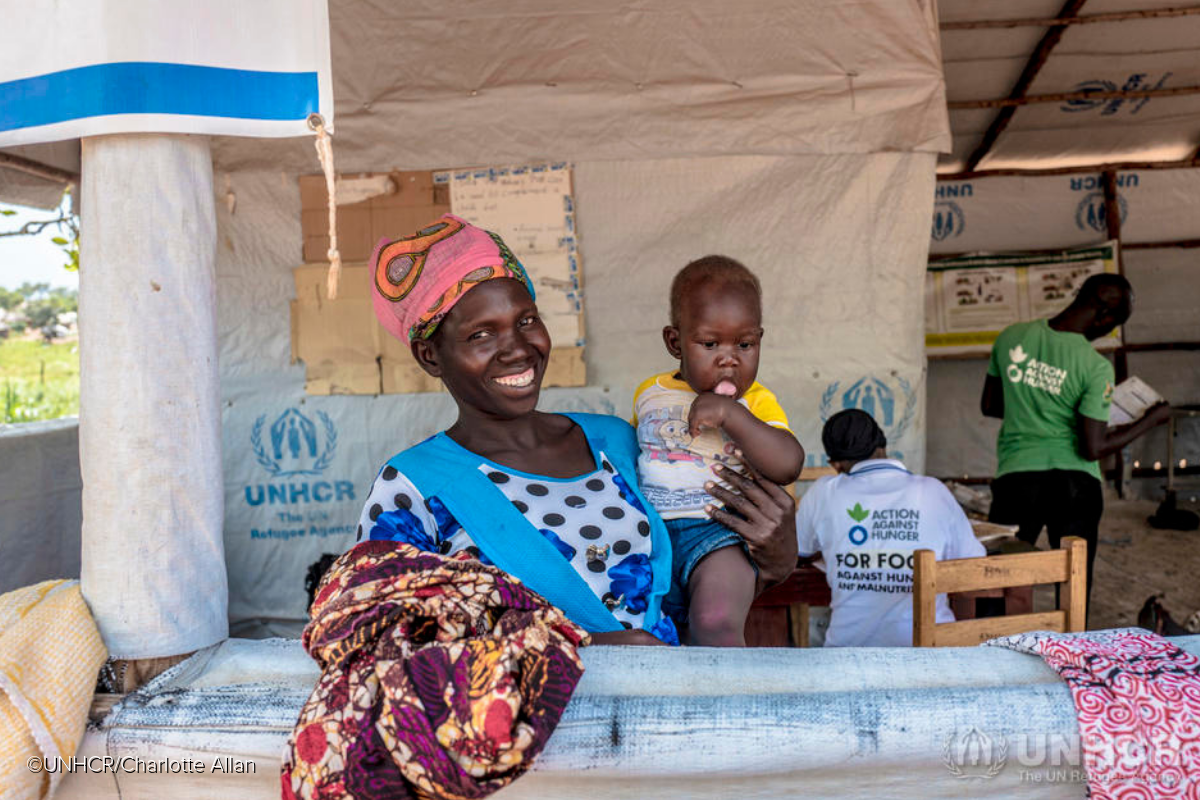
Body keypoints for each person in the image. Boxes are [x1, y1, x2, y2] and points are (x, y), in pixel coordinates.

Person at [353, 215, 799, 646]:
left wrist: (773, 562)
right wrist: (588, 648)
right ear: (430, 356)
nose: (517, 349)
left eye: (526, 320)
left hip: (667, 715)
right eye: (481, 335)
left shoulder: (619, 443)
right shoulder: (411, 487)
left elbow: (686, 596)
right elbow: (382, 640)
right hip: (544, 723)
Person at [633, 256, 804, 646]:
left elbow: (788, 463)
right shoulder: (648, 394)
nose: (729, 359)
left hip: (718, 534)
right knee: (650, 633)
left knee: (713, 622)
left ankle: (731, 701)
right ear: (675, 342)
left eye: (745, 344)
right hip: (650, 538)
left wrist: (731, 415)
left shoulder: (755, 402)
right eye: (710, 344)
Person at [981, 272, 1170, 602]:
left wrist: (1033, 408)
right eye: (1114, 324)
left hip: (1017, 477)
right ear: (1104, 316)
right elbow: (1092, 447)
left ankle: (991, 646)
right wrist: (1150, 420)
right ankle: (1070, 651)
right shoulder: (1095, 367)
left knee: (996, 579)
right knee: (1074, 586)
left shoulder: (1011, 337)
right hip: (1075, 485)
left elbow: (992, 405)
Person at [795, 409, 984, 647]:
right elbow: (973, 566)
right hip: (931, 653)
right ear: (882, 446)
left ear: (835, 463)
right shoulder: (933, 491)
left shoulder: (824, 491)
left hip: (847, 656)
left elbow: (796, 551)